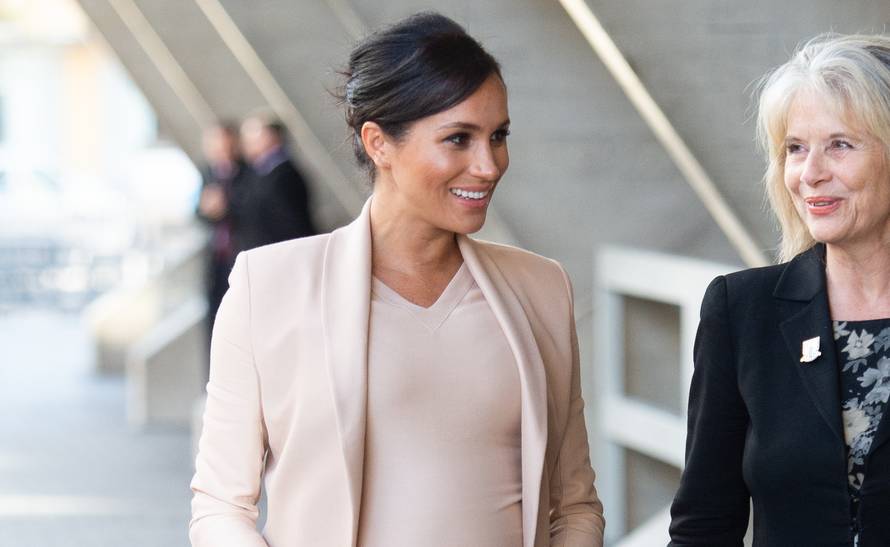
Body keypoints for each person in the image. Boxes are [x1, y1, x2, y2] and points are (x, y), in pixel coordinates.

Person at [190, 12, 604, 547]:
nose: (489, 164)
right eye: (458, 138)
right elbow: (221, 504)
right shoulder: (267, 285)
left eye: (497, 135)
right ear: (379, 143)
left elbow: (574, 504)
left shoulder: (542, 288)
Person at [669, 34, 890, 546]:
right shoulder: (742, 311)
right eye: (795, 148)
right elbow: (704, 524)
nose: (809, 174)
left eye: (840, 144)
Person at [196, 122, 251, 349]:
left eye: (221, 141)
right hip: (217, 259)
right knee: (214, 323)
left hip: (240, 255)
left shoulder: (249, 172)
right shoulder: (208, 173)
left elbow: (253, 212)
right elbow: (201, 212)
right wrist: (208, 210)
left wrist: (225, 206)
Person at [232, 111, 317, 252]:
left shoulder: (283, 173)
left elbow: (290, 221)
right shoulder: (257, 172)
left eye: (252, 137)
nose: (246, 144)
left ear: (271, 136)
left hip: (291, 250)